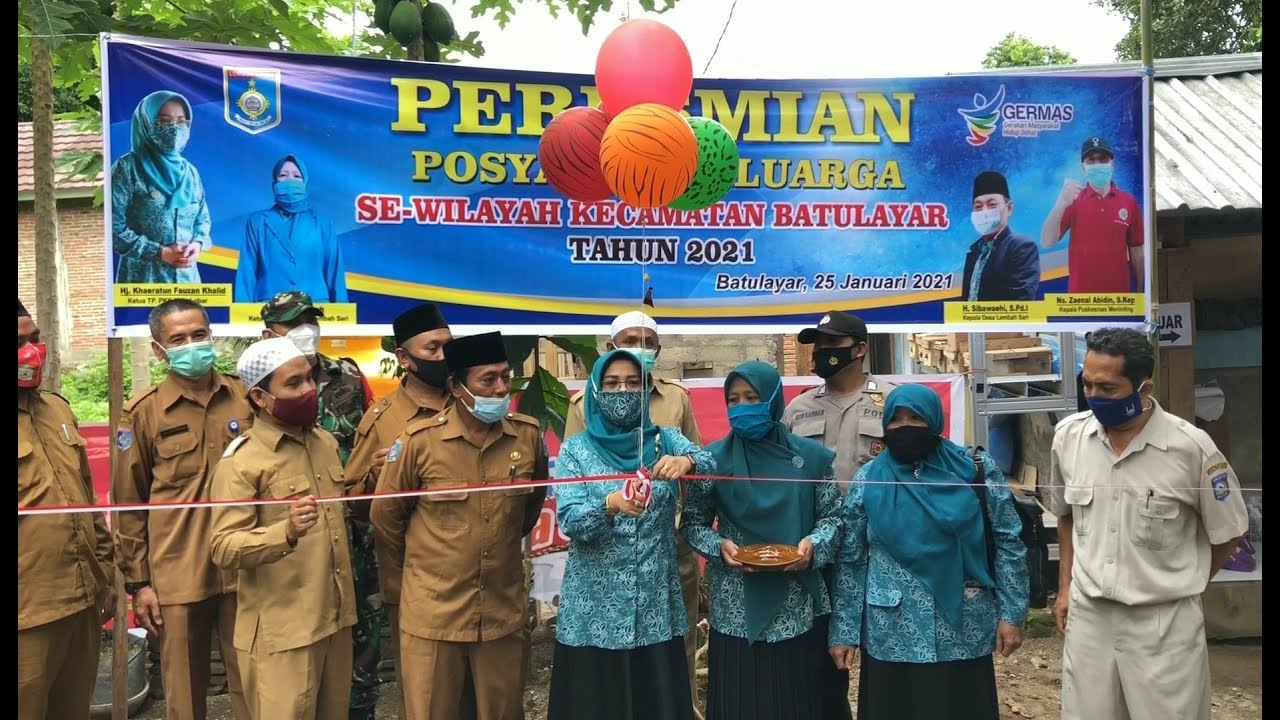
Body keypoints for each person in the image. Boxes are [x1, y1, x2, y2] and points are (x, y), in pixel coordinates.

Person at [1044, 328, 1249, 720]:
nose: (1095, 396)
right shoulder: (1068, 438)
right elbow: (1066, 515)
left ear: (1144, 387)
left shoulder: (1190, 449)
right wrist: (1065, 587)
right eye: (1088, 385)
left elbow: (1229, 531)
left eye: (1108, 388)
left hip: (1163, 623)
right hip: (1091, 618)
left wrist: (1186, 581)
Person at [371, 331, 548, 720]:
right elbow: (386, 518)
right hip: (434, 617)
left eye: (505, 377)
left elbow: (527, 511)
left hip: (501, 614)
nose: (500, 388)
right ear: (456, 386)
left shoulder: (527, 436)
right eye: (488, 380)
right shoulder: (418, 442)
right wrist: (424, 574)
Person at [828, 384, 1029, 720]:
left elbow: (1008, 541)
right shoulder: (869, 480)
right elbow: (851, 560)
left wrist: (1012, 614)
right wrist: (844, 632)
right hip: (892, 631)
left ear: (934, 421)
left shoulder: (975, 470)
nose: (905, 426)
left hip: (962, 628)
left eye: (916, 418)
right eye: (896, 419)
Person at [548, 349, 715, 720]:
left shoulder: (665, 440)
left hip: (656, 603)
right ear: (596, 390)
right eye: (611, 384)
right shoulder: (576, 450)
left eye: (632, 383)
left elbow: (711, 464)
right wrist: (610, 505)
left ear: (646, 389)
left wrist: (687, 461)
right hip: (594, 610)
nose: (622, 392)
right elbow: (571, 521)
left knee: (655, 702)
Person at [113, 299, 251, 720]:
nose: (192, 344)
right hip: (177, 576)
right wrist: (139, 583)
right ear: (159, 350)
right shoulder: (143, 413)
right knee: (184, 696)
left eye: (199, 334)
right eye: (178, 339)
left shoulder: (246, 397)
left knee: (255, 685)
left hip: (245, 568)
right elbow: (128, 504)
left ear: (211, 335)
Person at [682, 360, 842, 720]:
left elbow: (833, 518)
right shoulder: (713, 460)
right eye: (733, 399)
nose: (742, 407)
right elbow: (692, 523)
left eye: (752, 397)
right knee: (742, 702)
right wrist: (719, 548)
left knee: (796, 702)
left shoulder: (811, 458)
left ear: (772, 399)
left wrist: (813, 546)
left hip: (796, 604)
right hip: (736, 608)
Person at [209, 337, 357, 720]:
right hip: (283, 635)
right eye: (293, 384)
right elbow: (223, 547)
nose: (308, 389)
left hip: (335, 619)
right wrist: (285, 533)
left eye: (308, 378)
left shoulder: (324, 442)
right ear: (260, 397)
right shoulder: (241, 462)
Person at [258, 289, 381, 720]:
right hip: (295, 538)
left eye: (310, 321)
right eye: (293, 324)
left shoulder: (347, 376)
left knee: (363, 636)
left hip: (352, 532)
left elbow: (369, 438)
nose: (305, 330)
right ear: (269, 333)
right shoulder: (257, 386)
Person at [346, 302, 470, 720]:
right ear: (404, 358)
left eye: (448, 345)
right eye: (431, 348)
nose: (443, 355)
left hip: (476, 574)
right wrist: (374, 479)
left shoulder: (471, 402)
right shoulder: (383, 419)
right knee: (425, 694)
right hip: (415, 579)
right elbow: (351, 502)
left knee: (478, 693)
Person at [780, 309, 895, 718]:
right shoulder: (798, 409)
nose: (822, 351)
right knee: (822, 656)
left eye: (832, 343)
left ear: (859, 349)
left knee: (884, 652)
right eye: (819, 344)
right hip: (817, 550)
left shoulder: (890, 403)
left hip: (879, 550)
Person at [18, 299, 116, 720]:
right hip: (27, 617)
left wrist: (105, 576)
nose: (30, 352)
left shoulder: (57, 409)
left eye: (34, 338)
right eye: (17, 343)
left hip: (82, 603)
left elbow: (87, 501)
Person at [111, 90, 211, 285]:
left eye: (181, 121)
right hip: (142, 283)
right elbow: (114, 228)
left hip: (187, 282)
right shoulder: (127, 168)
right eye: (164, 121)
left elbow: (202, 218)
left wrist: (198, 244)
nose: (174, 129)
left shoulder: (190, 172)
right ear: (146, 123)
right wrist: (159, 252)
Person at [234, 155, 348, 303]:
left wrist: (342, 311)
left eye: (296, 176)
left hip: (315, 306)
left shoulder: (322, 222)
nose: (290, 181)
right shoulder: (258, 221)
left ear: (305, 182)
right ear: (274, 183)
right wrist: (242, 312)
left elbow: (334, 270)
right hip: (270, 307)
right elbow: (247, 271)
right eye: (283, 175)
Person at [1040, 136, 1145, 294]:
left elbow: (1137, 250)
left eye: (1103, 159)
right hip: (1079, 300)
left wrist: (1140, 291)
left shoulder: (1129, 202)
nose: (1097, 165)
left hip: (1119, 300)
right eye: (1091, 160)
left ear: (1112, 164)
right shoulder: (1072, 200)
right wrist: (1060, 203)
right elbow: (1047, 241)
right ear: (1083, 167)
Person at [960, 170, 1040, 301]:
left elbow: (1022, 301)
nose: (984, 211)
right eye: (978, 206)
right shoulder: (975, 252)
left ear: (1009, 208)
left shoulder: (1021, 247)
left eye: (992, 205)